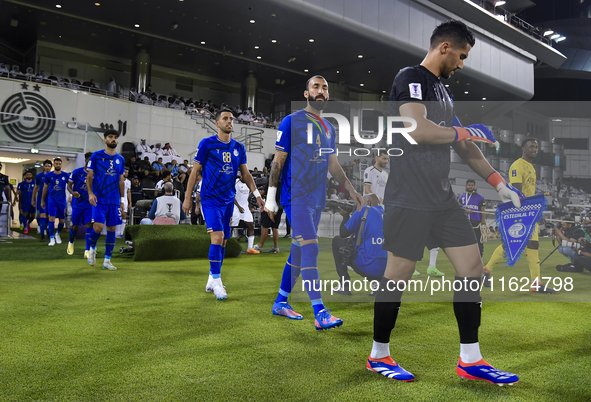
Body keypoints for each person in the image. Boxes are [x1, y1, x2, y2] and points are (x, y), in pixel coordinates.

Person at [367, 20, 521, 384]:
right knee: (397, 276)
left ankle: (471, 359)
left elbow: (464, 146)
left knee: (471, 269)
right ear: (445, 48)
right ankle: (379, 355)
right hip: (408, 197)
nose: (462, 65)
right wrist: (463, 130)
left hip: (442, 198)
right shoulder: (411, 77)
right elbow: (417, 130)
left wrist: (499, 184)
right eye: (462, 57)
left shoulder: (444, 92)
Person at [265, 75, 363, 330]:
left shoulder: (329, 127)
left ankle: (281, 302)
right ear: (306, 93)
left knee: (298, 252)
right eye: (316, 87)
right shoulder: (291, 121)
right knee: (311, 248)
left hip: (317, 199)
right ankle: (320, 312)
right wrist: (271, 198)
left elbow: (333, 165)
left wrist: (352, 191)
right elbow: (278, 160)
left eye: (325, 88)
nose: (321, 91)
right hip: (295, 196)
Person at [182, 109, 264, 300]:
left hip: (229, 201)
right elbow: (194, 173)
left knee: (225, 240)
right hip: (210, 199)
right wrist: (187, 197)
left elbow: (245, 175)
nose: (229, 121)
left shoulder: (238, 147)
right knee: (217, 237)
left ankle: (212, 277)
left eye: (231, 119)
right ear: (217, 123)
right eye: (225, 118)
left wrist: (257, 195)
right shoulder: (207, 144)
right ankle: (218, 281)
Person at [482, 138, 558, 293]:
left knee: (532, 245)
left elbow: (529, 193)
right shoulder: (517, 165)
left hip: (530, 212)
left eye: (536, 147)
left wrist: (536, 212)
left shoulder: (531, 167)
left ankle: (535, 283)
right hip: (521, 212)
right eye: (531, 147)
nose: (534, 149)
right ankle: (486, 270)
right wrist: (533, 213)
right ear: (523, 149)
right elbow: (518, 193)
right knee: (509, 244)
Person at [86, 129, 126, 271]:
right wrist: (90, 193)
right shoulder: (96, 156)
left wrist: (122, 201)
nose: (113, 139)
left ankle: (107, 261)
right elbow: (89, 177)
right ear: (105, 140)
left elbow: (121, 181)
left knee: (112, 228)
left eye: (115, 137)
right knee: (97, 227)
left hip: (114, 200)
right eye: (110, 137)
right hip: (99, 198)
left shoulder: (120, 159)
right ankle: (92, 248)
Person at [331, 194, 386, 295]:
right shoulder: (387, 213)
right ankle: (378, 284)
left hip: (367, 265)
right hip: (388, 270)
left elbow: (343, 233)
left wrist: (346, 215)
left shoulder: (365, 210)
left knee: (337, 241)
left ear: (368, 202)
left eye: (360, 202)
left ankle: (344, 285)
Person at [67, 152, 93, 257]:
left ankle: (87, 250)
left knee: (89, 224)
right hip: (78, 203)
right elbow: (68, 185)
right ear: (86, 160)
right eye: (90, 159)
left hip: (89, 203)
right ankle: (71, 242)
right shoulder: (77, 172)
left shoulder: (95, 174)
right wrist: (72, 193)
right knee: (75, 226)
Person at [41, 158, 69, 246]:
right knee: (51, 218)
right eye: (56, 164)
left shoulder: (66, 175)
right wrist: (42, 200)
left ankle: (57, 234)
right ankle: (52, 238)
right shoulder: (48, 175)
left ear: (61, 165)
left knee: (62, 220)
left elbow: (70, 186)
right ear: (54, 165)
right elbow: (45, 188)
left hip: (62, 200)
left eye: (59, 164)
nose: (58, 165)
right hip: (52, 200)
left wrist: (71, 195)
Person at [231, 173, 259, 254]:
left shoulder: (248, 184)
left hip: (245, 209)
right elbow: (232, 196)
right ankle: (226, 246)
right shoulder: (236, 183)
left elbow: (247, 197)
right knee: (231, 227)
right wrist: (239, 207)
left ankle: (250, 248)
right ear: (241, 176)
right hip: (236, 208)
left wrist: (248, 207)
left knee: (251, 226)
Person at [459, 179, 487, 257]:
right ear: (466, 186)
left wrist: (483, 220)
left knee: (478, 240)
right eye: (469, 185)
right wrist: (466, 211)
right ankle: (467, 256)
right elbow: (459, 209)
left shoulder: (480, 197)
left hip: (476, 222)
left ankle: (479, 256)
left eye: (472, 185)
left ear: (474, 186)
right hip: (465, 221)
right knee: (466, 239)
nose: (470, 187)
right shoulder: (462, 197)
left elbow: (483, 209)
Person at [254, 182, 282, 254]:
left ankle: (260, 246)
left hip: (270, 206)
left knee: (265, 227)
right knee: (275, 227)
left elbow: (262, 193)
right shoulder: (283, 183)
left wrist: (258, 192)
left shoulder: (271, 182)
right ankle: (276, 247)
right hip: (279, 207)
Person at [32, 159, 52, 241]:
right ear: (43, 167)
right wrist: (33, 199)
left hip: (51, 198)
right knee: (42, 216)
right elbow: (35, 188)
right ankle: (42, 235)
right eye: (46, 166)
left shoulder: (53, 175)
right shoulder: (39, 176)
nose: (47, 168)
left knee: (49, 216)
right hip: (41, 198)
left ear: (51, 167)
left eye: (49, 166)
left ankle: (47, 231)